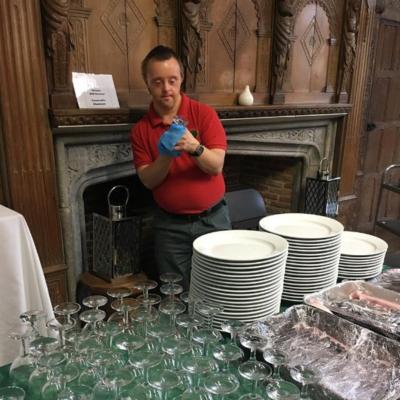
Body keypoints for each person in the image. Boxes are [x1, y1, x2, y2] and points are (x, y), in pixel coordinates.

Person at [130, 45, 231, 292]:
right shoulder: (141, 130)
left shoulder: (204, 115)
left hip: (213, 221)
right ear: (147, 83)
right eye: (158, 82)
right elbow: (148, 181)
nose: (166, 88)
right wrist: (165, 155)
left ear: (180, 80)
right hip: (169, 228)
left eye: (172, 80)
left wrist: (193, 147)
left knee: (219, 290)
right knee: (175, 297)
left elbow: (216, 166)